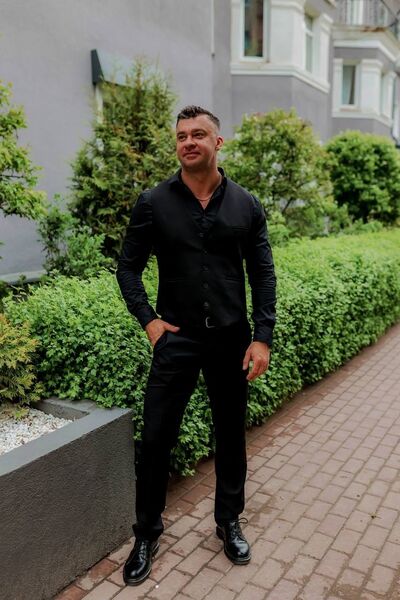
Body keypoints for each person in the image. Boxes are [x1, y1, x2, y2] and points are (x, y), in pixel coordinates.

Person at [116, 105, 276, 586]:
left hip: (230, 340)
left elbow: (262, 274)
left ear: (217, 142)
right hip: (177, 339)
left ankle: (229, 521)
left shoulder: (246, 205)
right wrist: (149, 322)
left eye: (199, 134)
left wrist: (262, 337)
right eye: (182, 135)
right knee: (156, 438)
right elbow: (128, 268)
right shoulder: (153, 202)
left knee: (230, 435)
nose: (189, 141)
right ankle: (146, 533)